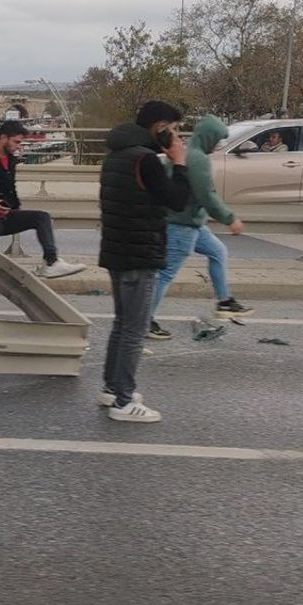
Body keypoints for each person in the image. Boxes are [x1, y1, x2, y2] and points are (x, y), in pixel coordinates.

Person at [97, 101, 191, 422]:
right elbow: (177, 200)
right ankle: (123, 401)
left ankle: (112, 387)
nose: (176, 135)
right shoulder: (146, 160)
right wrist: (179, 163)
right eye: (174, 128)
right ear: (160, 127)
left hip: (117, 251)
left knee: (122, 324)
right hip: (139, 253)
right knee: (135, 329)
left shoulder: (115, 155)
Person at [0, 120, 86, 318]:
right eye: (17, 142)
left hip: (5, 217)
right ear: (3, 138)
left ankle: (51, 262)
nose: (19, 146)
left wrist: (15, 208)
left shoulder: (10, 160)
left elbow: (10, 188)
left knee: (41, 218)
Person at [148, 115, 252, 340]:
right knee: (165, 274)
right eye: (218, 139)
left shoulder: (187, 153)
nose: (219, 144)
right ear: (209, 137)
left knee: (218, 252)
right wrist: (230, 218)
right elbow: (207, 195)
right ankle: (144, 320)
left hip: (192, 222)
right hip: (181, 225)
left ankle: (224, 301)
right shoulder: (196, 159)